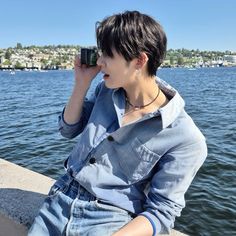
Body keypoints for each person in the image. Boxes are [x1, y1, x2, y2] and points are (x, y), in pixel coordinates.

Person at [28, 10, 207, 236]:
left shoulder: (186, 138)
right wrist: (81, 84)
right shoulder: (105, 89)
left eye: (108, 56)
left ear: (140, 60)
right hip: (58, 202)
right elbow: (67, 129)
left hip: (108, 220)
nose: (100, 63)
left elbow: (162, 212)